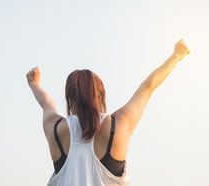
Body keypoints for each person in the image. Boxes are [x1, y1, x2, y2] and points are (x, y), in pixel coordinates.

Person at [26, 39, 190, 186]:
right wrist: (176, 55)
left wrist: (34, 84)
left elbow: (47, 102)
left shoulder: (55, 130)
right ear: (101, 96)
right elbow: (148, 86)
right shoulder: (119, 125)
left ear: (69, 98)